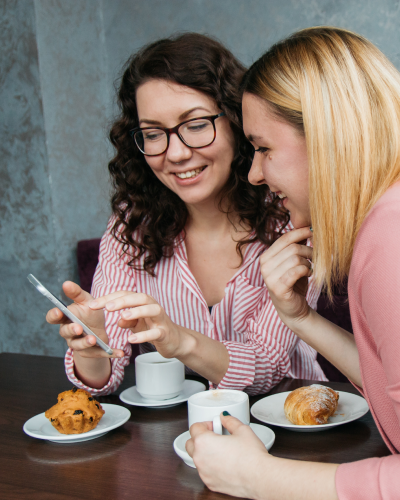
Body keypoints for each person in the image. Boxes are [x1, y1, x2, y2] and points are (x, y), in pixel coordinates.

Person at [46, 33, 325, 396]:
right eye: (153, 133)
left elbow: (266, 369)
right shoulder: (132, 224)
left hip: (293, 421)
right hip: (178, 433)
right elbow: (103, 379)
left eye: (195, 125)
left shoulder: (292, 216)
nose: (175, 154)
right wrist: (91, 346)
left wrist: (179, 341)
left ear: (237, 123)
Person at [186, 27, 400, 499]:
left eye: (263, 148)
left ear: (328, 138)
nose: (255, 173)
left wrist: (258, 478)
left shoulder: (390, 243)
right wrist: (300, 318)